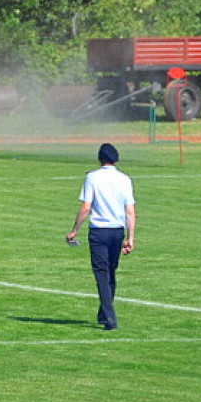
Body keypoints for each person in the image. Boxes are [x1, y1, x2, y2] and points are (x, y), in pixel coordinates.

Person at [67, 142, 136, 331]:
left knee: (101, 274)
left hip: (99, 231)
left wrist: (75, 229)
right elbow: (130, 211)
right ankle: (103, 313)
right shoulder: (125, 179)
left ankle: (110, 317)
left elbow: (86, 207)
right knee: (110, 273)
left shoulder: (92, 178)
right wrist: (130, 237)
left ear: (100, 159)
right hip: (117, 231)